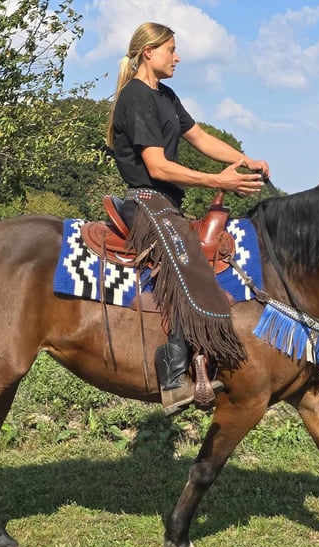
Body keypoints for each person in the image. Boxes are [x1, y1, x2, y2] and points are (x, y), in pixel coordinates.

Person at [106, 22, 270, 415]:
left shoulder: (166, 96)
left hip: (165, 204)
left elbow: (199, 138)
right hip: (146, 200)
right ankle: (174, 376)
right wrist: (218, 180)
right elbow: (158, 167)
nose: (177, 57)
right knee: (187, 262)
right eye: (171, 49)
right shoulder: (137, 98)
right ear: (149, 53)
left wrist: (243, 160)